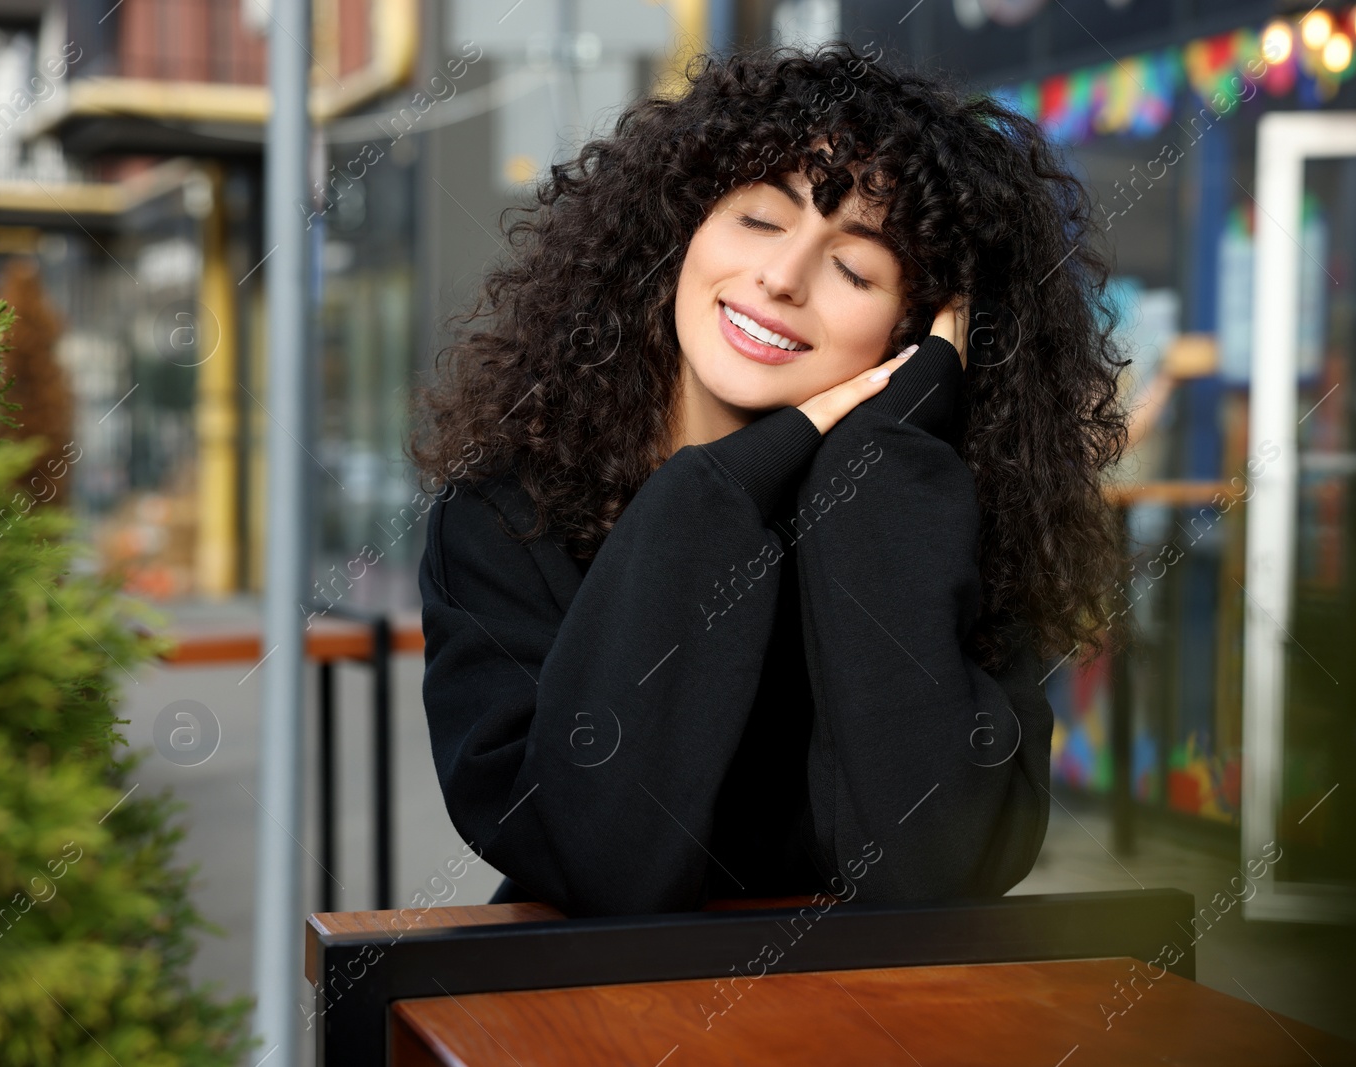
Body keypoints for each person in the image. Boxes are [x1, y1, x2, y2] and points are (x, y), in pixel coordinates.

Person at [407, 42, 1131, 918]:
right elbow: (596, 860)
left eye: (856, 267)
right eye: (759, 219)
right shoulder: (504, 518)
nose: (783, 279)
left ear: (915, 334)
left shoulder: (931, 526)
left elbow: (947, 867)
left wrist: (884, 464)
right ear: (681, 227)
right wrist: (713, 494)